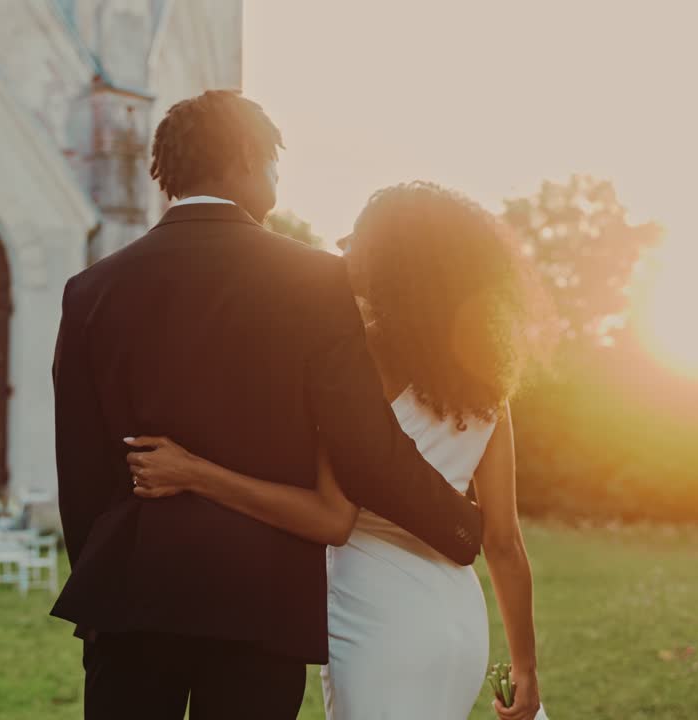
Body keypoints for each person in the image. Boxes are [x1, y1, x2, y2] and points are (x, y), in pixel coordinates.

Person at [50, 91, 484, 720]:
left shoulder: (91, 288)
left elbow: (81, 468)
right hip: (263, 600)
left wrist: (103, 575)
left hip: (131, 592)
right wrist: (461, 523)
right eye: (274, 161)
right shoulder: (315, 281)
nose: (277, 176)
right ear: (247, 158)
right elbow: (366, 448)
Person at [127, 182, 554, 720]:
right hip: (459, 621)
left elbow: (329, 515)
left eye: (360, 239)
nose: (341, 245)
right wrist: (525, 669)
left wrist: (193, 472)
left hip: (378, 615)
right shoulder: (487, 383)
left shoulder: (358, 363)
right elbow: (504, 542)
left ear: (392, 263)